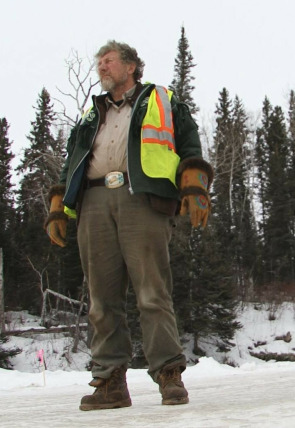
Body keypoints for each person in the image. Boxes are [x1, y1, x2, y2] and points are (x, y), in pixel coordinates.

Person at [45, 40, 213, 411]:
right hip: (93, 202)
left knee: (152, 292)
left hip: (142, 199)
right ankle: (110, 383)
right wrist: (60, 208)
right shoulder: (92, 115)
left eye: (109, 61)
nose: (102, 67)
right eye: (99, 63)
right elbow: (71, 160)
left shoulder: (161, 100)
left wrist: (195, 186)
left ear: (132, 66)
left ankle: (169, 375)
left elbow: (188, 143)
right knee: (101, 300)